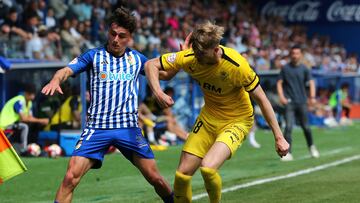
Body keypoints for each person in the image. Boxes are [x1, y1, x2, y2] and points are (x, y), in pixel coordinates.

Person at [145, 21, 289, 203]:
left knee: (208, 168)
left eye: (201, 54)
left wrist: (278, 136)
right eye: (195, 53)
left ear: (215, 50)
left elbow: (262, 99)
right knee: (181, 176)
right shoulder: (191, 57)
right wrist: (158, 91)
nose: (196, 57)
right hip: (208, 117)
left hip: (237, 121)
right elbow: (151, 65)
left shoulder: (237, 65)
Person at [41, 7, 173, 203]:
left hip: (128, 129)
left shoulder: (137, 59)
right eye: (113, 34)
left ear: (129, 38)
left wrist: (181, 59)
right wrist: (55, 80)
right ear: (108, 31)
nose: (116, 39)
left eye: (122, 36)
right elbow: (66, 70)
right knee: (70, 178)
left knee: (156, 179)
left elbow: (164, 74)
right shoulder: (93, 56)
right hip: (97, 129)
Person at [277, 45, 320, 161]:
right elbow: (279, 83)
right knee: (289, 127)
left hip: (302, 102)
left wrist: (312, 97)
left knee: (306, 127)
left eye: (297, 53)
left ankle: (312, 147)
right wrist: (281, 97)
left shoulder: (304, 69)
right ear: (290, 55)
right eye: (293, 53)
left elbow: (311, 82)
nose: (295, 55)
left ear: (300, 55)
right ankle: (288, 153)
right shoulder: (285, 68)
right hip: (290, 102)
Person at [0, 84, 49, 153]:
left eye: (33, 94)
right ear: (26, 93)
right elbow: (23, 119)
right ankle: (24, 149)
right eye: (30, 94)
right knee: (24, 126)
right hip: (5, 125)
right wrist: (41, 120)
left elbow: (30, 118)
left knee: (34, 125)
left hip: (14, 124)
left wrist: (40, 122)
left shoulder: (29, 103)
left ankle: (33, 147)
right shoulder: (19, 101)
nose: (33, 96)